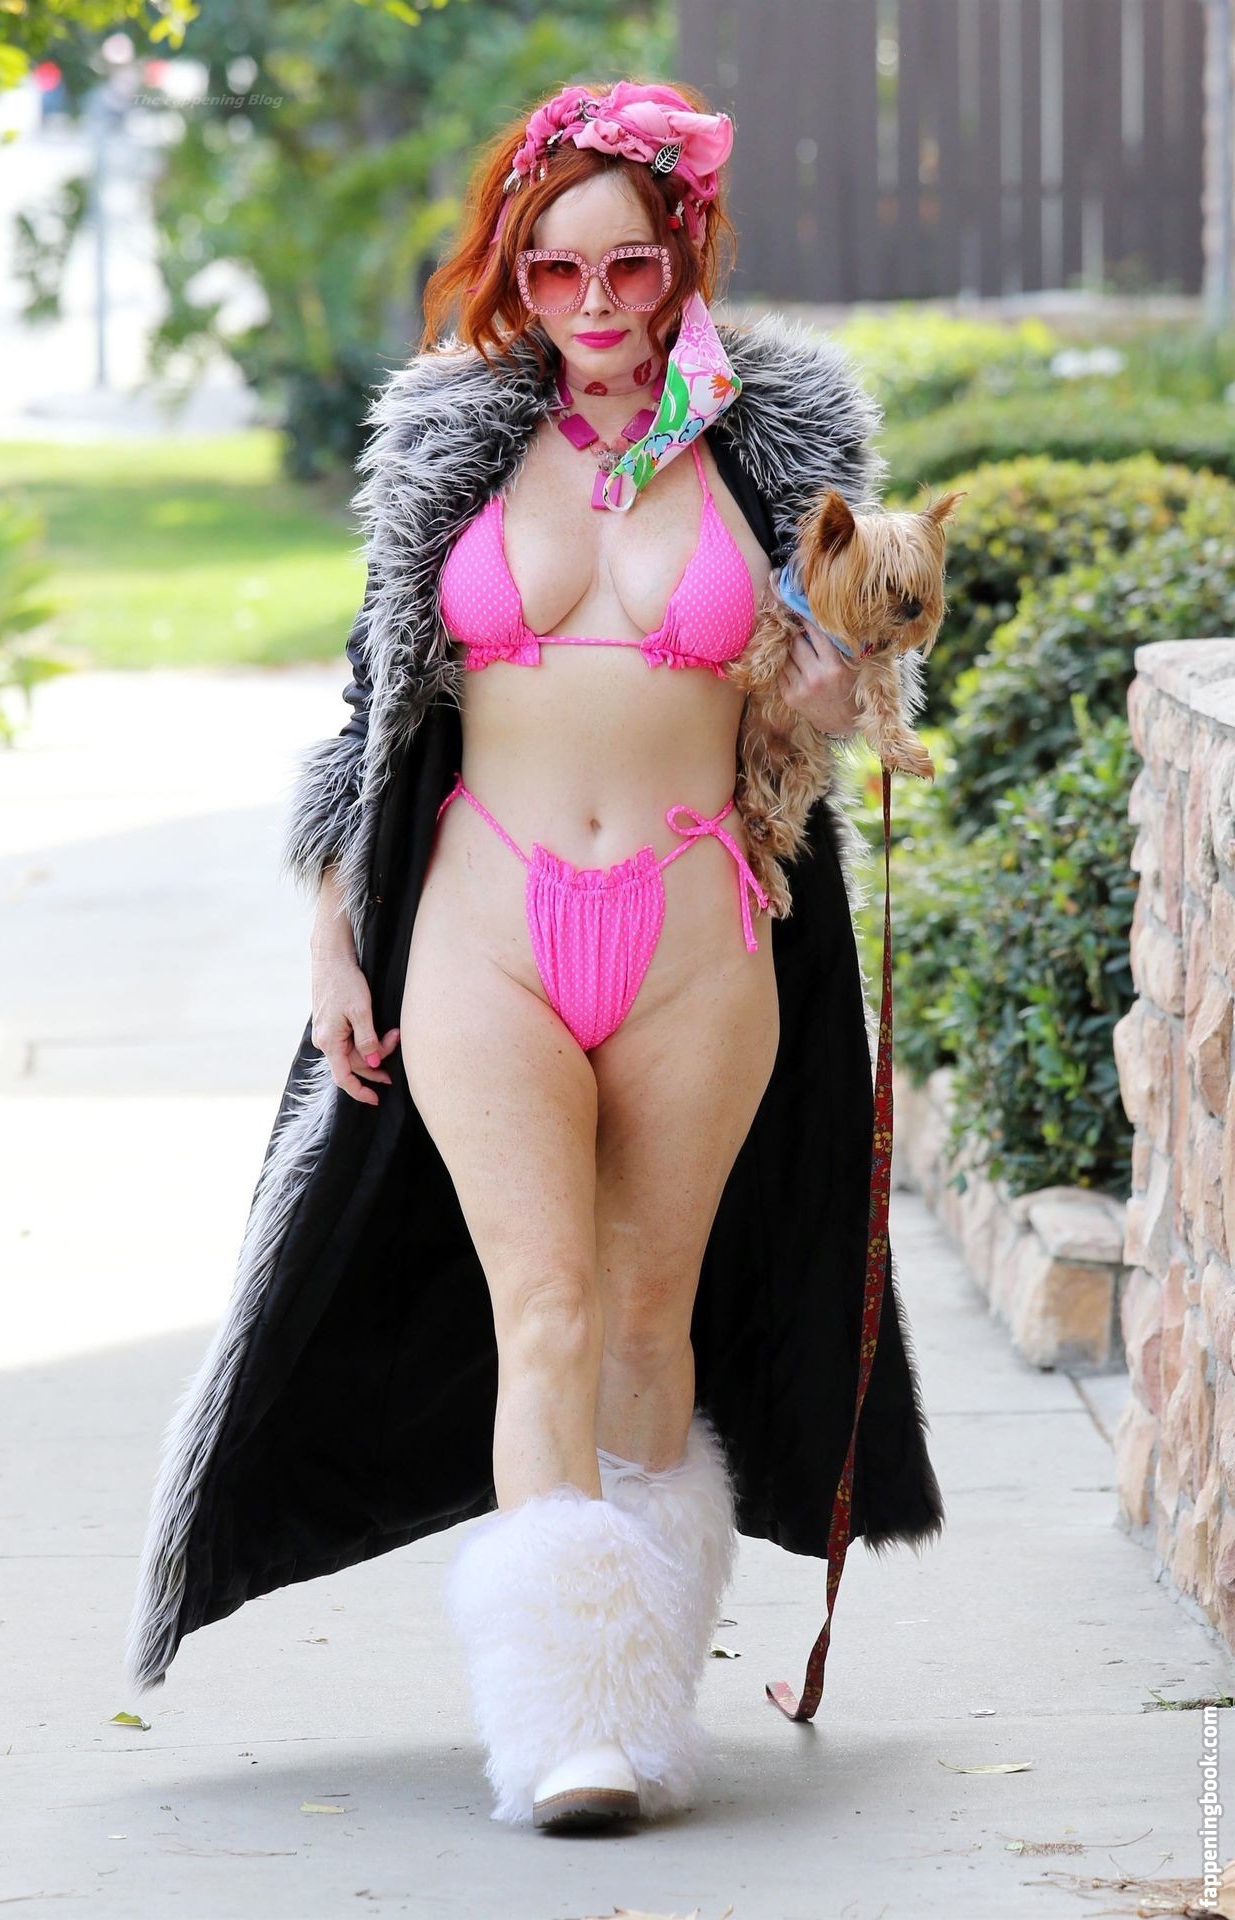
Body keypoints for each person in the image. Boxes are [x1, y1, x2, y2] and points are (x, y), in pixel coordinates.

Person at [125, 78, 944, 1837]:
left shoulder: (774, 440)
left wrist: (843, 675)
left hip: (694, 923)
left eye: (626, 267)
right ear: (515, 271)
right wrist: (334, 939)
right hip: (483, 920)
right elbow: (372, 713)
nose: (591, 305)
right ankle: (562, 1730)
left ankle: (643, 1704)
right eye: (554, 271)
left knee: (647, 1317)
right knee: (545, 1310)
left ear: (682, 258)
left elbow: (825, 710)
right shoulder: (453, 437)